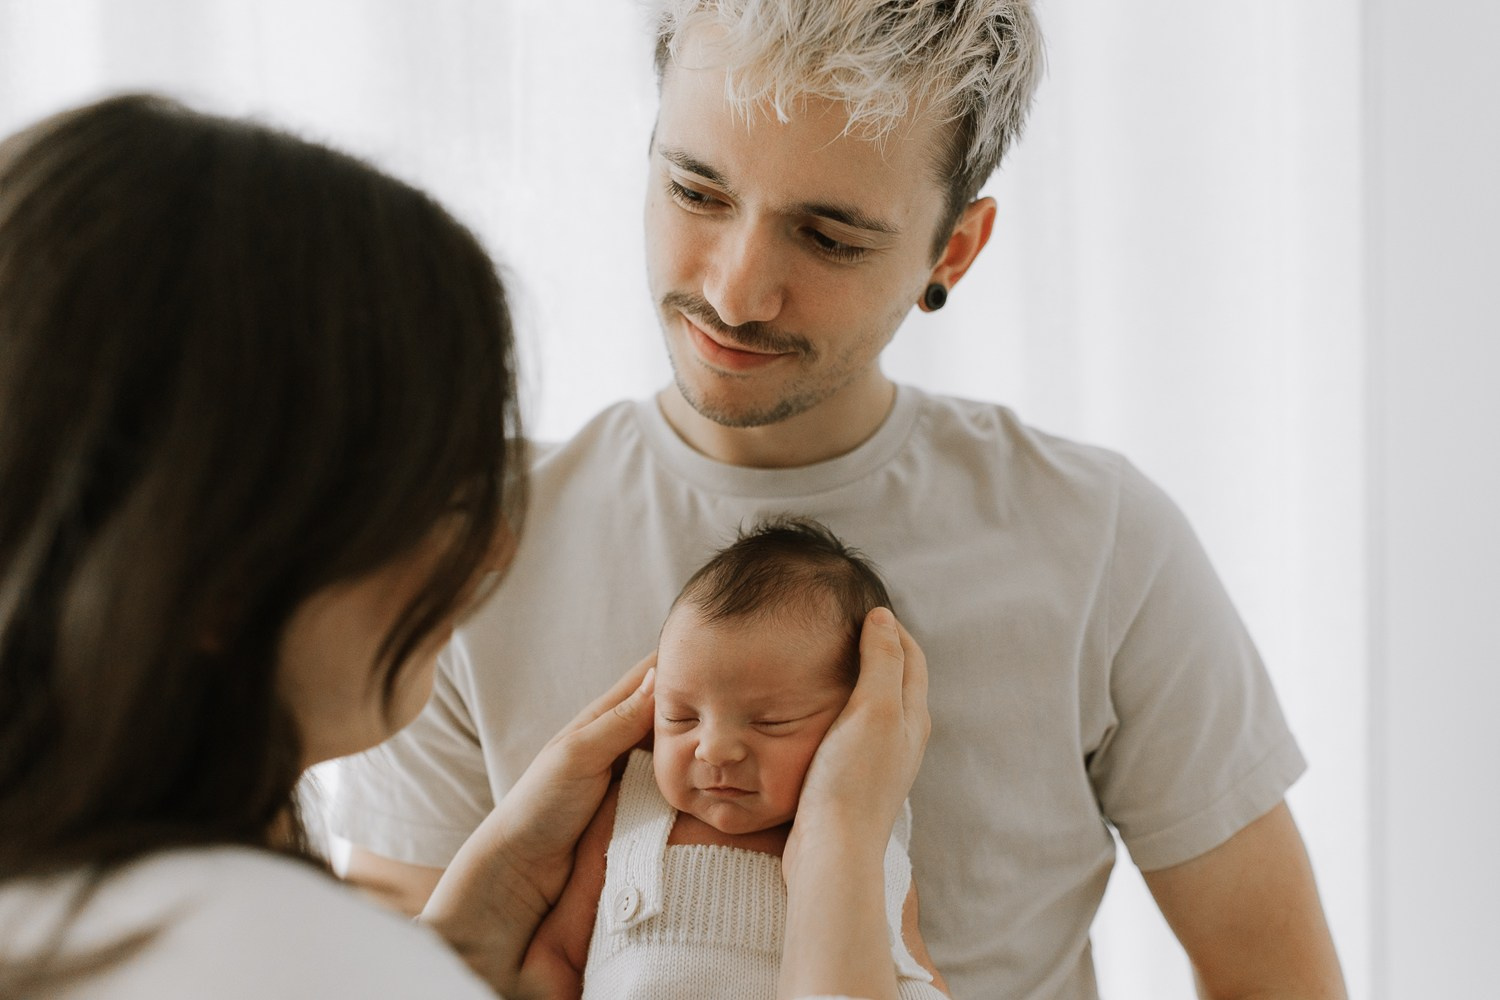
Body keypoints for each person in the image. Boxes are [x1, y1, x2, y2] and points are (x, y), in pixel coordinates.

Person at [331, 2, 1348, 997]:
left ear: (952, 251)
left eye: (828, 237)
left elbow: (1277, 980)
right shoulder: (466, 544)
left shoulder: (1104, 543)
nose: (736, 292)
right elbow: (385, 964)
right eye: (697, 191)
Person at [0, 93, 930, 1000]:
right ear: (216, 559)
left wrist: (455, 948)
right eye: (442, 491)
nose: (490, 551)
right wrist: (841, 835)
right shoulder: (268, 954)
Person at [521, 518, 949, 999]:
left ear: (856, 725)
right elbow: (556, 955)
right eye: (681, 718)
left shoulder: (867, 833)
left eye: (770, 722)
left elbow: (911, 968)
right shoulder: (630, 814)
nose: (714, 749)